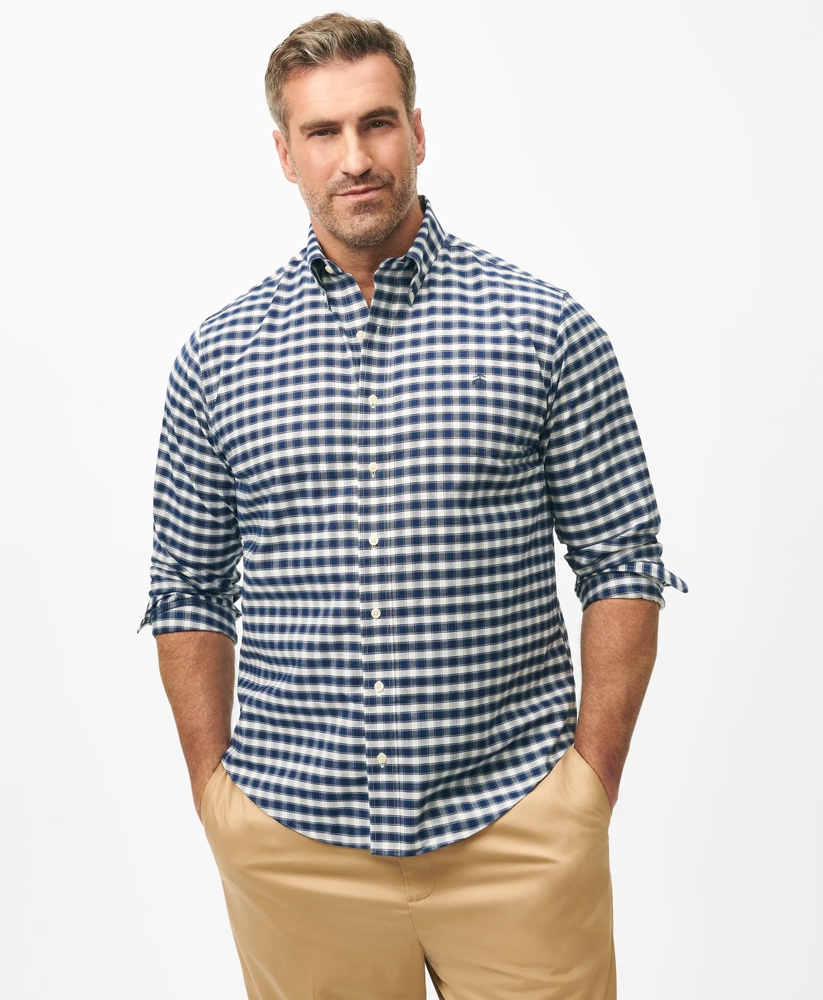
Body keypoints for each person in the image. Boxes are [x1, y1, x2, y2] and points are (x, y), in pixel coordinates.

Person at [139, 12, 687, 1000]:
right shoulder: (217, 359)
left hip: (515, 829)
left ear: (418, 133)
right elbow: (187, 586)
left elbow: (622, 561)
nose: (355, 158)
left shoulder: (545, 330)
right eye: (322, 132)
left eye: (377, 123)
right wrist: (217, 798)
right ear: (285, 155)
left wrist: (585, 790)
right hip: (294, 843)